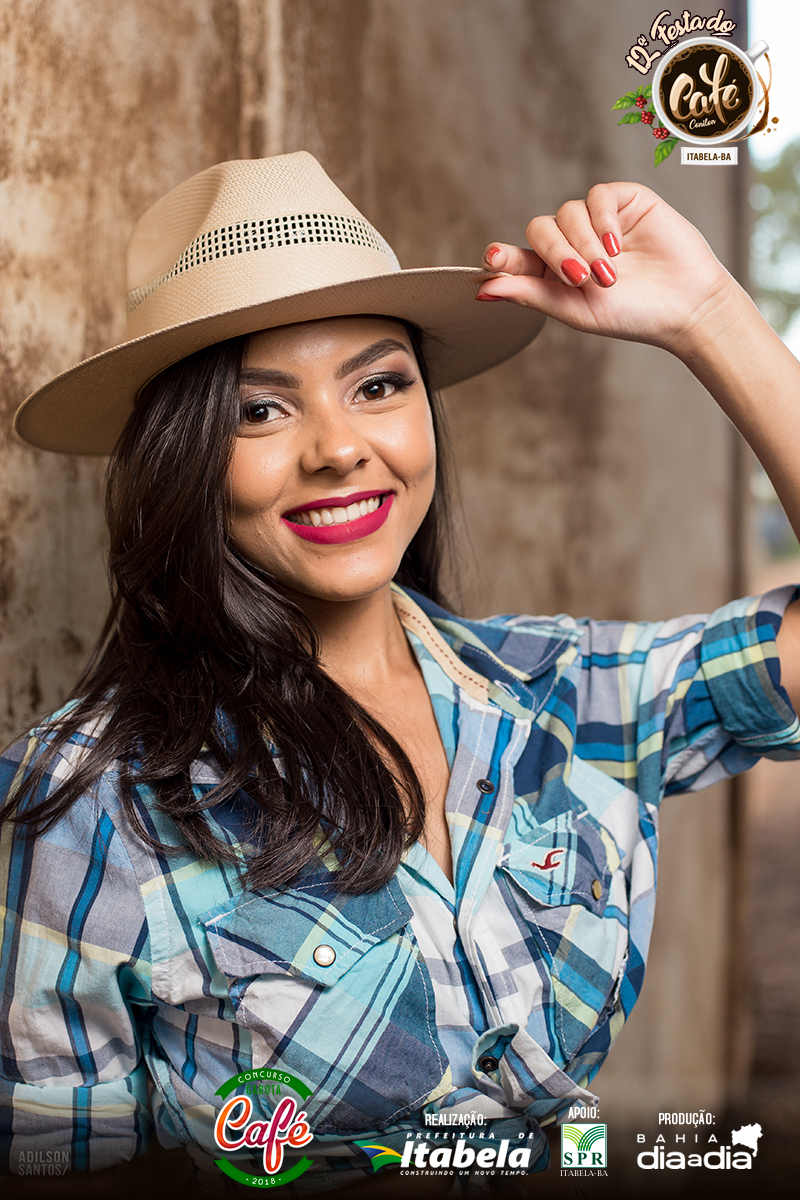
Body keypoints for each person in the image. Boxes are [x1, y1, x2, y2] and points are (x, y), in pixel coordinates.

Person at [2, 151, 800, 1193]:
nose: (340, 448)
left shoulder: (557, 691)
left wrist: (706, 315)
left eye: (378, 384)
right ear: (183, 456)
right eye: (260, 410)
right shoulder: (94, 803)